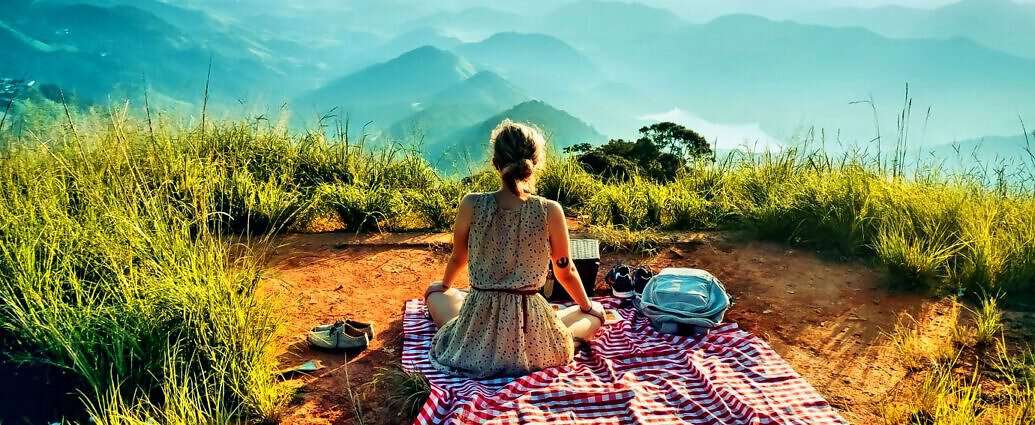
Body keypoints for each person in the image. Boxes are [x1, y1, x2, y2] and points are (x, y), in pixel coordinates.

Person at [424, 119, 605, 379]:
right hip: (531, 331)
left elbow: (458, 257)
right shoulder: (550, 210)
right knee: (592, 315)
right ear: (534, 164)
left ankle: (465, 323)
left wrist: (444, 284)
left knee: (437, 294)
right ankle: (573, 318)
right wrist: (587, 305)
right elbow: (565, 270)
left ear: (496, 164)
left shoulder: (471, 204)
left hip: (478, 329)